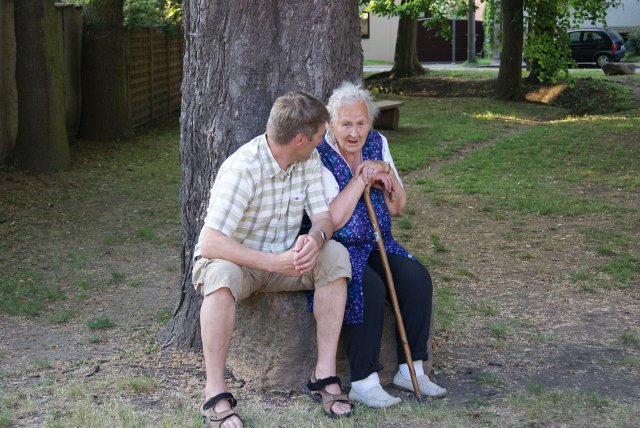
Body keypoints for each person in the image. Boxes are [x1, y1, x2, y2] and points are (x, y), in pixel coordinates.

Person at [193, 91, 354, 427]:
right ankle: (215, 392)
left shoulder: (308, 160)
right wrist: (271, 263)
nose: (323, 142)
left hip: (286, 262)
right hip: (239, 263)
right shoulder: (244, 168)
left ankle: (324, 375)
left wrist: (316, 237)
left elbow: (323, 218)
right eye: (320, 136)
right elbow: (209, 242)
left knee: (336, 255)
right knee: (220, 276)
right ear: (299, 139)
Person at [317, 82, 447, 408]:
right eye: (345, 123)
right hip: (339, 247)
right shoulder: (320, 153)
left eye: (361, 123)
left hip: (378, 241)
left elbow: (396, 206)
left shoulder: (378, 143)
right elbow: (332, 220)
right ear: (332, 124)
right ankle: (364, 380)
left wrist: (386, 172)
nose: (354, 132)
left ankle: (412, 368)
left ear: (370, 124)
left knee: (417, 277)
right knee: (367, 287)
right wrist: (360, 180)